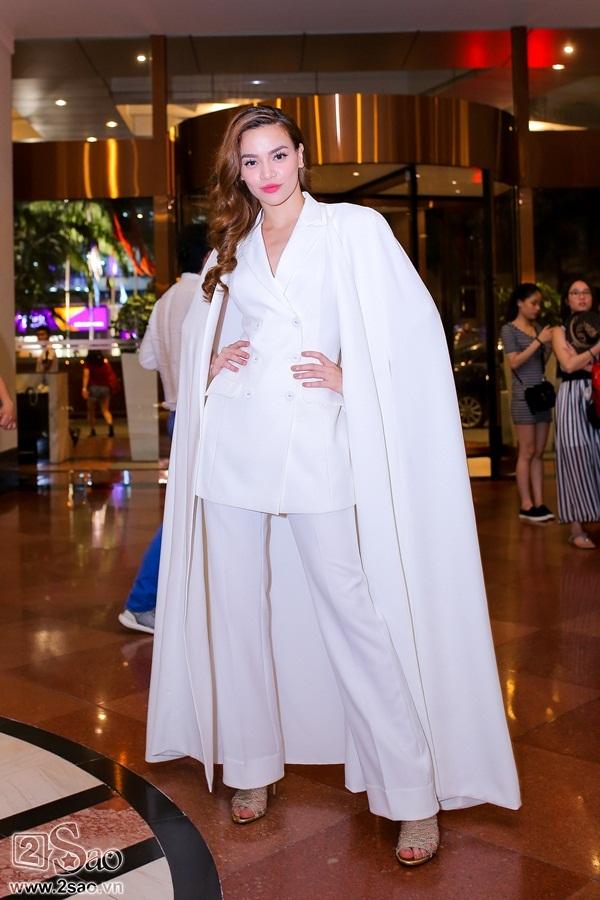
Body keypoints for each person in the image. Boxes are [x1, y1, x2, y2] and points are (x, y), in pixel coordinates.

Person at [146, 106, 520, 867]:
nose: (266, 173)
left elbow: (412, 331)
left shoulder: (353, 229)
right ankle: (252, 766)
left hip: (317, 439)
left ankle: (411, 793)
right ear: (237, 172)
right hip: (236, 442)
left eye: (277, 155)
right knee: (238, 611)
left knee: (354, 611)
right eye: (251, 162)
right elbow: (209, 334)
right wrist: (209, 367)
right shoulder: (232, 243)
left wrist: (356, 381)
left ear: (302, 155)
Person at [119, 223, 210, 635]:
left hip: (178, 415)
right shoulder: (207, 295)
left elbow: (147, 360)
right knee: (187, 512)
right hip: (203, 415)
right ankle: (141, 601)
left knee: (194, 510)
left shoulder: (168, 299)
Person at [551, 278, 600, 549]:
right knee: (575, 456)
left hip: (598, 391)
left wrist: (582, 360)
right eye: (575, 293)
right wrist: (595, 351)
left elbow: (576, 361)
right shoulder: (559, 331)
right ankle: (576, 528)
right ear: (567, 300)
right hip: (572, 398)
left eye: (586, 292)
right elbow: (568, 366)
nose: (581, 297)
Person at [500, 284, 555, 522]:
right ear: (519, 303)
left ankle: (539, 503)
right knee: (527, 451)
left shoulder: (539, 328)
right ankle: (526, 504)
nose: (537, 308)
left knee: (539, 452)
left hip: (540, 396)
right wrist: (538, 342)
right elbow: (514, 362)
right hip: (523, 397)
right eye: (533, 303)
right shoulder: (509, 329)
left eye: (539, 303)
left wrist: (545, 343)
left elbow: (542, 359)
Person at [82, 350, 115, 437]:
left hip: (94, 389)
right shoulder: (105, 364)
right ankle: (110, 426)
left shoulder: (89, 364)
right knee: (105, 410)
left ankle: (93, 430)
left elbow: (86, 376)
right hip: (105, 388)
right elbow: (110, 375)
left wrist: (84, 388)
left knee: (91, 411)